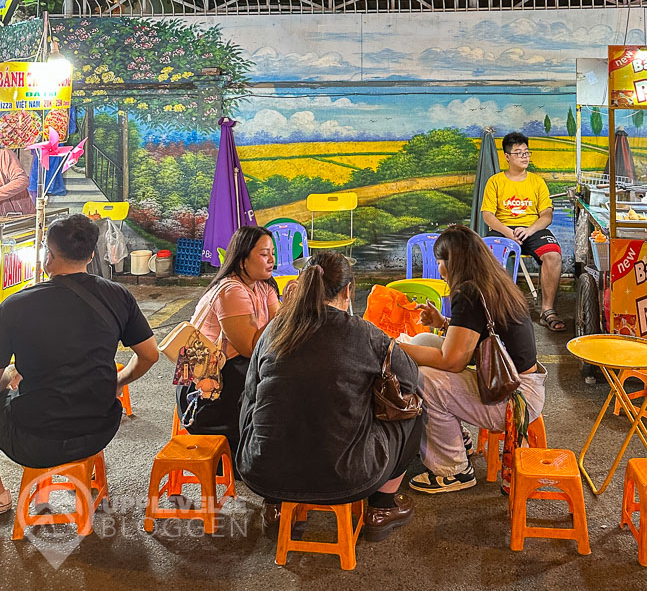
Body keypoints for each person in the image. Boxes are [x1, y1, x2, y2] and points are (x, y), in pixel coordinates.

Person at [238, 251, 423, 542]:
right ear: (348, 291)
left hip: (263, 473)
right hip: (349, 477)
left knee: (252, 401)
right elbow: (410, 380)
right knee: (412, 410)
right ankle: (382, 507)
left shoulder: (274, 329)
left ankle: (275, 507)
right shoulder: (366, 334)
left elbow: (251, 390)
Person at [0, 214, 158, 503]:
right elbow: (150, 355)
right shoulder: (118, 295)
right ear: (92, 255)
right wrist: (119, 381)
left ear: (48, 257)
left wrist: (11, 374)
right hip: (99, 430)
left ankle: (0, 494)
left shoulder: (15, 305)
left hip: (34, 442)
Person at [401, 225, 545, 493]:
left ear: (453, 262)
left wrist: (396, 347)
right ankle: (457, 439)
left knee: (424, 379)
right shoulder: (490, 280)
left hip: (513, 398)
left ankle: (453, 471)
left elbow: (452, 361)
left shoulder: (468, 292)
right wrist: (443, 323)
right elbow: (475, 336)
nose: (439, 269)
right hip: (515, 383)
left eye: (440, 262)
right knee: (423, 341)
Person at [176, 224, 280, 454]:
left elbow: (279, 331)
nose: (271, 259)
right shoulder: (231, 290)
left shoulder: (263, 286)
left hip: (231, 374)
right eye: (264, 254)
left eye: (272, 253)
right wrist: (289, 311)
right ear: (242, 261)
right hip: (208, 389)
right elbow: (249, 348)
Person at [481, 130, 564, 331]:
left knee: (553, 255)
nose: (524, 157)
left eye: (526, 152)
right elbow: (488, 215)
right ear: (507, 157)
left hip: (532, 229)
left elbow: (547, 215)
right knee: (487, 256)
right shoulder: (495, 182)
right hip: (503, 229)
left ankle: (547, 310)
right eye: (518, 153)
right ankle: (495, 310)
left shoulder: (537, 182)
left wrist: (529, 230)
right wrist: (507, 232)